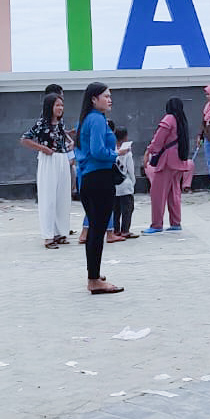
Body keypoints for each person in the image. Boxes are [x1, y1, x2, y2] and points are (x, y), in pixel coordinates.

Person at [75, 82, 123, 294]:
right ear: (94, 99)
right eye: (105, 96)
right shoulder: (95, 119)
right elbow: (97, 151)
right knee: (97, 230)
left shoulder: (91, 118)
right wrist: (116, 154)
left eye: (110, 95)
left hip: (91, 178)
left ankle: (93, 274)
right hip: (99, 179)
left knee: (95, 228)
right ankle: (94, 280)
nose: (109, 99)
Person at [22, 94, 73, 249]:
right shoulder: (41, 124)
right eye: (57, 105)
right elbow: (25, 139)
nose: (60, 108)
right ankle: (48, 236)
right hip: (48, 160)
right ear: (49, 107)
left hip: (62, 159)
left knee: (62, 197)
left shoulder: (60, 123)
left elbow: (63, 138)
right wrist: (42, 148)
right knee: (48, 197)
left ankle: (60, 232)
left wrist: (69, 145)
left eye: (61, 105)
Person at [144, 98, 192, 234]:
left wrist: (149, 151)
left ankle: (156, 224)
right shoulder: (181, 119)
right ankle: (176, 222)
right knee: (174, 193)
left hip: (167, 161)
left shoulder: (169, 119)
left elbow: (158, 141)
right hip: (179, 161)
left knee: (158, 193)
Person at [112, 125, 137, 239]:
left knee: (116, 210)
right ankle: (125, 230)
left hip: (114, 185)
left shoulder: (112, 150)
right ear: (126, 137)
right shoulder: (127, 151)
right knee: (127, 209)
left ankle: (116, 230)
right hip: (125, 184)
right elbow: (130, 169)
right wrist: (133, 182)